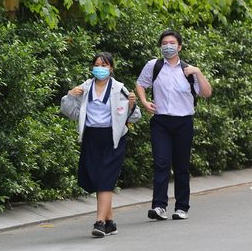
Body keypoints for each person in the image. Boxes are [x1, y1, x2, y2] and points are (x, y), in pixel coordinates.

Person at [61, 52, 142, 237]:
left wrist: (131, 106)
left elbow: (135, 117)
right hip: (91, 138)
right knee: (98, 178)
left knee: (105, 179)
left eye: (104, 65)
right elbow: (71, 113)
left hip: (113, 139)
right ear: (92, 68)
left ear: (111, 69)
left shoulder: (119, 89)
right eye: (97, 65)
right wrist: (70, 96)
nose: (100, 68)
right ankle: (111, 222)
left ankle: (100, 222)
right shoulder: (85, 87)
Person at [136, 30, 211, 221]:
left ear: (179, 47)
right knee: (161, 164)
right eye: (164, 43)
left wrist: (198, 72)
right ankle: (159, 206)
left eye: (171, 42)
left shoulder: (188, 70)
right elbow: (141, 84)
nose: (167, 46)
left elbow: (207, 92)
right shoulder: (154, 66)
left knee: (181, 166)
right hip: (160, 121)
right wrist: (145, 102)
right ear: (161, 46)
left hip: (183, 122)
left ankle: (181, 207)